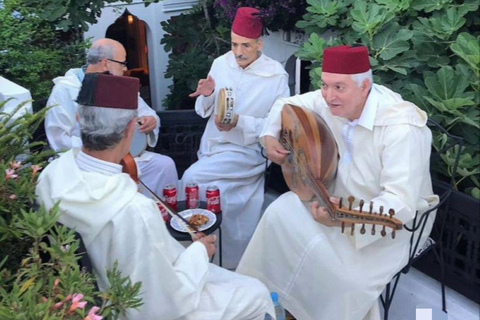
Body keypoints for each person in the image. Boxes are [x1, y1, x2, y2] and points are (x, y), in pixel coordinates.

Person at [36, 73, 275, 320]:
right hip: (127, 307)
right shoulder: (133, 209)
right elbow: (164, 302)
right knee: (256, 293)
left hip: (88, 295)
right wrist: (199, 252)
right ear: (131, 128)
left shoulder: (52, 174)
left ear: (79, 118)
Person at [236, 45, 439, 320]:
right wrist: (270, 136)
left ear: (365, 86)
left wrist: (343, 217)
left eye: (339, 87)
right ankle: (265, 304)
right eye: (325, 85)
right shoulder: (331, 100)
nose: (329, 96)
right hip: (333, 199)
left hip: (386, 225)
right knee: (279, 213)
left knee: (346, 280)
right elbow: (286, 105)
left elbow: (400, 204)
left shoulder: (402, 127)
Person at [180, 7, 290, 269]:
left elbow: (276, 127)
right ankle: (214, 262)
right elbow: (203, 110)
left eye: (246, 45)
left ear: (259, 44)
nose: (238, 52)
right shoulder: (221, 63)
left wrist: (239, 123)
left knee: (192, 180)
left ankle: (197, 257)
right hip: (213, 147)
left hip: (247, 151)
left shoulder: (276, 76)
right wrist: (207, 95)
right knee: (221, 197)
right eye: (234, 44)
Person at [44, 38, 177, 196]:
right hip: (84, 162)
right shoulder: (65, 89)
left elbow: (148, 112)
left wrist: (151, 121)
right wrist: (99, 153)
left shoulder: (120, 85)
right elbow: (57, 137)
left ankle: (164, 214)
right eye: (122, 63)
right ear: (106, 63)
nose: (124, 68)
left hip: (124, 156)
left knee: (163, 165)